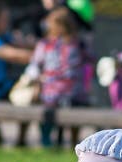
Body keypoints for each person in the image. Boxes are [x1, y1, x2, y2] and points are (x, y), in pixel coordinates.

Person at [25, 6, 88, 146]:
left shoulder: (46, 44)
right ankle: (73, 142)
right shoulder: (79, 43)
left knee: (46, 109)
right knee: (76, 109)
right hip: (74, 94)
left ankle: (46, 140)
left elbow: (34, 65)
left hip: (52, 94)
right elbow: (90, 61)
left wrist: (38, 77)